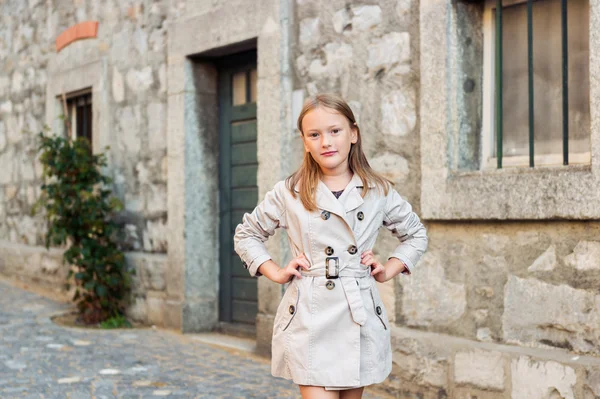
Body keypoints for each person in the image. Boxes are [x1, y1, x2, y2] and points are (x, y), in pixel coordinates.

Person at [233, 93, 428, 399]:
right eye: (315, 134)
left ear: (353, 133)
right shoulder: (289, 192)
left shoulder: (378, 191)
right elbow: (247, 234)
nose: (326, 142)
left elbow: (416, 233)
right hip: (310, 317)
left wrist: (388, 269)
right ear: (305, 141)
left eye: (334, 131)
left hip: (357, 313)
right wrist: (275, 272)